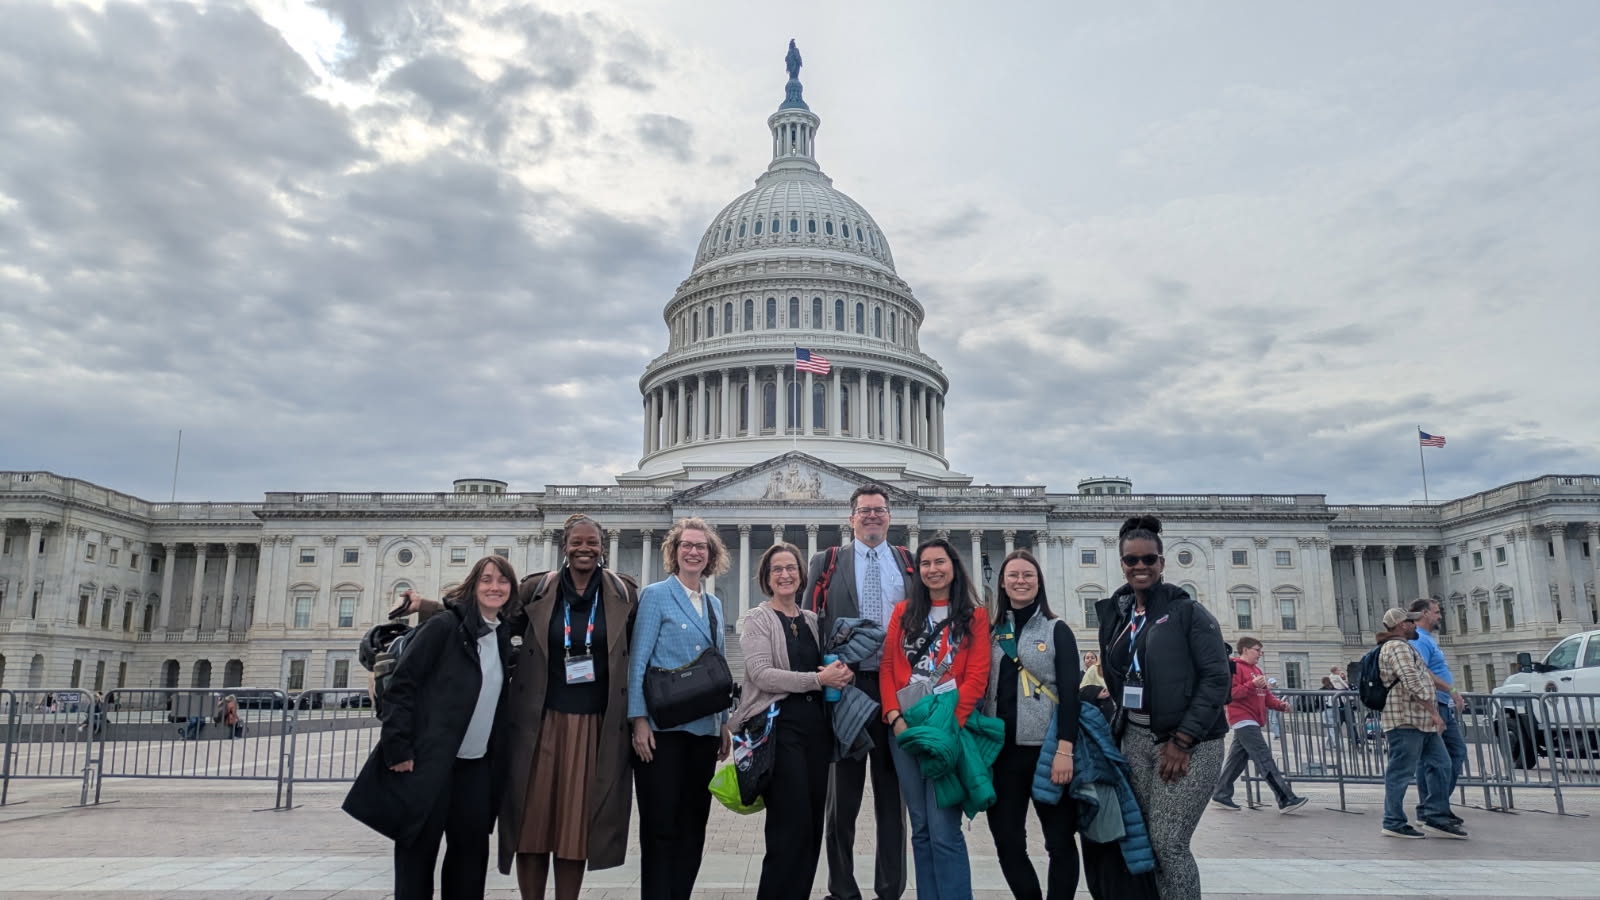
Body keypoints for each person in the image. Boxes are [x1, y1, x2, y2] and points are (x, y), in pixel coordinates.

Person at [396, 514, 641, 900]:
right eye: (577, 542)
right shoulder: (536, 589)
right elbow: (486, 616)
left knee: (575, 827)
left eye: (592, 542)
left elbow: (640, 653)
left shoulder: (624, 594)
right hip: (539, 722)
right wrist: (426, 606)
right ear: (564, 546)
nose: (585, 548)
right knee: (532, 823)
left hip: (595, 724)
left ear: (603, 546)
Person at [343, 554, 516, 900]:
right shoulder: (443, 628)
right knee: (417, 853)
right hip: (430, 761)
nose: (494, 587)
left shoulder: (501, 634)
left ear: (512, 589)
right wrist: (397, 748)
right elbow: (402, 686)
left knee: (470, 857)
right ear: (472, 586)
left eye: (502, 581)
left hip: (475, 766)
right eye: (486, 580)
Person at [1094, 516, 1229, 900]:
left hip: (1189, 742)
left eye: (1148, 559)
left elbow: (1216, 678)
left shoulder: (1188, 612)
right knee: (1145, 841)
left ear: (1162, 562)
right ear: (1122, 563)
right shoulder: (1119, 615)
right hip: (1136, 736)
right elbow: (1117, 672)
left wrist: (1183, 740)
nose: (1140, 566)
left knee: (1169, 843)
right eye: (1131, 560)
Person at [810, 483, 916, 900]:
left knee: (893, 800)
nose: (873, 516)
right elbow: (812, 622)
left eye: (880, 510)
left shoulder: (908, 563)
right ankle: (842, 889)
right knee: (842, 802)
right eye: (865, 510)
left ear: (890, 516)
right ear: (851, 517)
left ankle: (890, 890)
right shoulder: (827, 561)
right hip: (847, 688)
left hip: (894, 691)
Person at [734, 542, 854, 900]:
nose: (785, 575)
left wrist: (838, 673)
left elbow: (824, 669)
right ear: (766, 578)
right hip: (779, 731)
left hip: (815, 732)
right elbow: (761, 675)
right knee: (789, 827)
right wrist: (817, 680)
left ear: (801, 575)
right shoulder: (758, 619)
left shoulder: (813, 621)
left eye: (791, 568)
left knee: (811, 827)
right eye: (777, 569)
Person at [879, 538, 992, 900]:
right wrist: (894, 716)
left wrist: (948, 725)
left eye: (939, 562)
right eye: (925, 564)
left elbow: (977, 677)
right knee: (921, 829)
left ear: (953, 566)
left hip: (948, 730)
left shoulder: (975, 616)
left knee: (944, 831)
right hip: (906, 729)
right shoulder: (903, 612)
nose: (933, 570)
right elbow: (888, 666)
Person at [629, 517, 734, 900]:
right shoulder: (656, 595)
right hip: (662, 730)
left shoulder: (714, 604)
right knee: (660, 827)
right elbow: (638, 660)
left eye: (700, 546)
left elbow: (718, 667)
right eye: (686, 545)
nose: (693, 552)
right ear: (674, 552)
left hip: (703, 730)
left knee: (693, 827)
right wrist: (638, 719)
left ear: (710, 555)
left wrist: (723, 722)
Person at [981, 549, 1081, 900]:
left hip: (1047, 752)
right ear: (1002, 583)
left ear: (1039, 583)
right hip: (1002, 754)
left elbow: (1070, 694)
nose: (1020, 581)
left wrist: (1065, 749)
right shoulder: (992, 633)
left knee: (1059, 841)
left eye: (1028, 575)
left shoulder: (1057, 630)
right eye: (1013, 575)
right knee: (1007, 841)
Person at [1375, 607, 1465, 840]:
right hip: (1405, 720)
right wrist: (1434, 713)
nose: (1415, 625)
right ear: (1401, 625)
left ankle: (1435, 815)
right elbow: (1412, 682)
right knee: (1400, 772)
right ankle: (1393, 821)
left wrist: (1450, 691)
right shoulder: (1396, 648)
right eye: (1411, 622)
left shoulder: (1407, 647)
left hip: (1421, 721)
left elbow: (1424, 676)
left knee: (1442, 764)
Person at [1210, 637, 1308, 813]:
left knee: (1237, 760)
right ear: (1245, 650)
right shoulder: (1234, 667)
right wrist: (1251, 684)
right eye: (1257, 650)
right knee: (1263, 757)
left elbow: (1266, 696)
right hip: (1243, 718)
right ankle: (1285, 798)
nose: (1260, 654)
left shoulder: (1257, 670)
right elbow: (1230, 693)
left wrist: (1280, 705)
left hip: (1253, 719)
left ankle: (1221, 794)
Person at [1407, 597, 1468, 828]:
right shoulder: (1420, 639)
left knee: (1447, 756)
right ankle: (1432, 808)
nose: (1440, 616)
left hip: (1441, 704)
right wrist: (1451, 690)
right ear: (1424, 613)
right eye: (1436, 612)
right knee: (1438, 758)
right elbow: (1421, 672)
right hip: (1434, 704)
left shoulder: (1427, 639)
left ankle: (1435, 806)